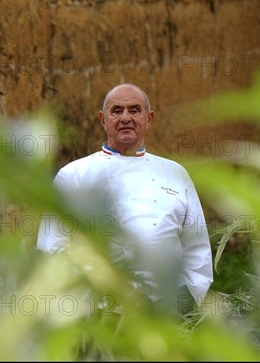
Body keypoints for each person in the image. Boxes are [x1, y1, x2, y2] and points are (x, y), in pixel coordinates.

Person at [37, 83, 213, 317]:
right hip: (95, 316)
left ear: (149, 118)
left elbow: (196, 250)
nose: (126, 118)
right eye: (117, 110)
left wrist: (180, 307)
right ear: (103, 119)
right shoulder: (73, 175)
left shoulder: (175, 174)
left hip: (165, 316)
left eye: (134, 110)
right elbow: (52, 248)